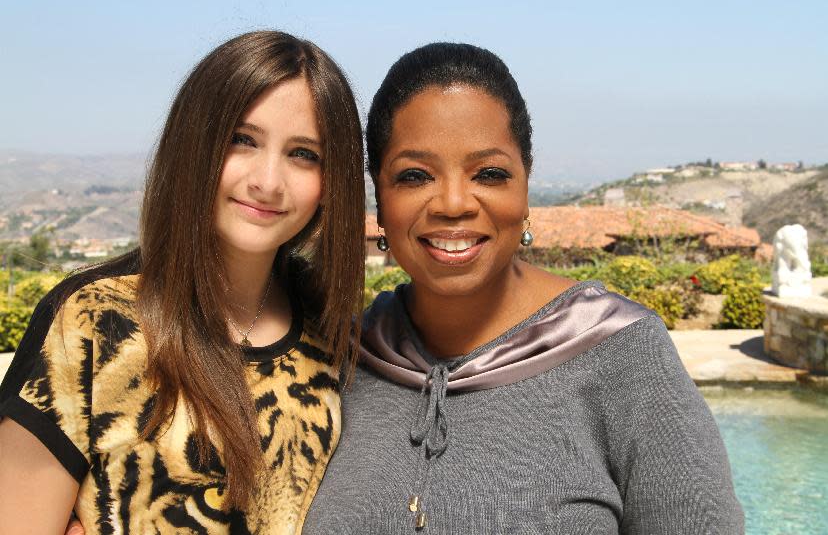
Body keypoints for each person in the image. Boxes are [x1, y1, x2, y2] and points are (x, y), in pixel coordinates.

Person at [302, 43, 744, 533]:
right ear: (380, 201)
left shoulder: (620, 352)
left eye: (489, 174)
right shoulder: (340, 357)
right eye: (414, 175)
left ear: (525, 186)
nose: (453, 203)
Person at [0, 30, 364, 534]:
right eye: (243, 139)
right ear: (195, 141)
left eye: (304, 154)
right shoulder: (92, 322)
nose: (268, 180)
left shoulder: (332, 334)